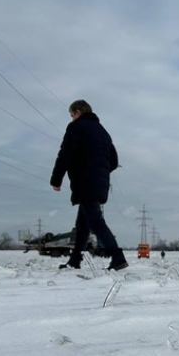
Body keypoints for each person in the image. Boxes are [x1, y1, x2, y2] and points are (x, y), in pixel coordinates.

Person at [50, 99, 128, 271]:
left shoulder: (76, 127)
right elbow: (114, 161)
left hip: (84, 181)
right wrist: (99, 171)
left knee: (95, 221)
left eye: (71, 115)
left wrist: (56, 179)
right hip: (99, 182)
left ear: (78, 112)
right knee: (83, 223)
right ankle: (75, 259)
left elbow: (65, 154)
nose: (71, 119)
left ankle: (117, 256)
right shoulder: (103, 132)